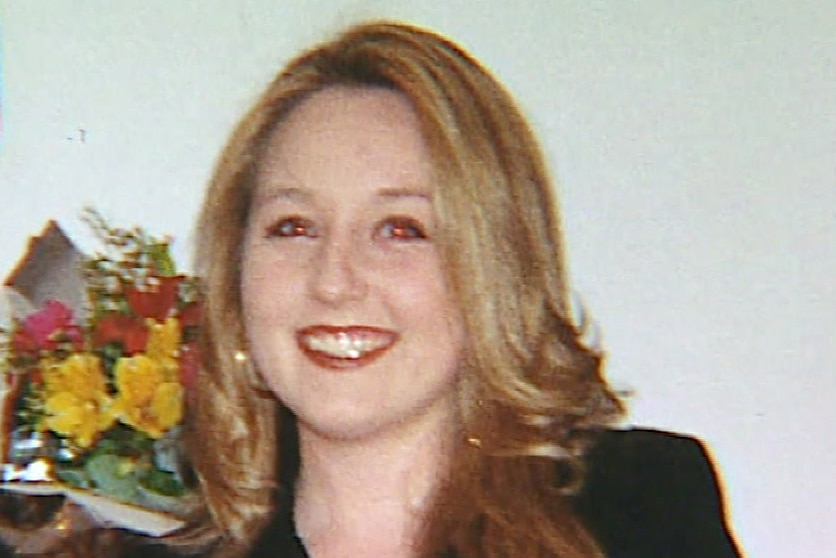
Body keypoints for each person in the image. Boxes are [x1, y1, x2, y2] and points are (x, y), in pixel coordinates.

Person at [0, 20, 742, 558]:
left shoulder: (635, 512)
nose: (334, 280)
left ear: (494, 264)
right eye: (293, 227)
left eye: (400, 229)